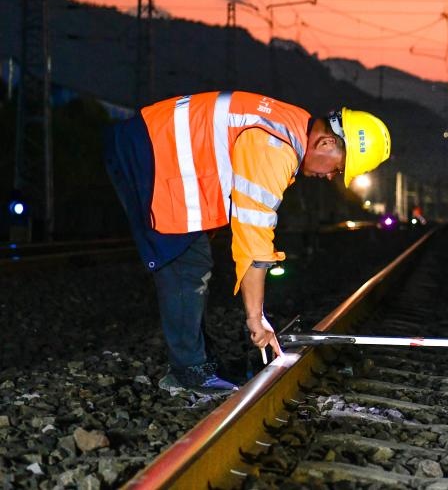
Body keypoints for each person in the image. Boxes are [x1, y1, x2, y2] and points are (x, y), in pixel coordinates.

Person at [104, 91, 391, 394]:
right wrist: (256, 318)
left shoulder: (291, 125)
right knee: (187, 262)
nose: (332, 176)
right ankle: (188, 372)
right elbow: (253, 237)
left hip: (155, 146)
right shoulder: (276, 146)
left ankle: (199, 362)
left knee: (192, 258)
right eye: (338, 168)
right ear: (327, 143)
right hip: (150, 153)